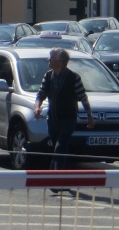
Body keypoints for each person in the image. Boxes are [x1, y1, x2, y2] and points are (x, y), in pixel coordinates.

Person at [33, 48, 94, 190]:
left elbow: (83, 98)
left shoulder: (74, 78)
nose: (48, 60)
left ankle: (54, 180)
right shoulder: (48, 76)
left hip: (68, 119)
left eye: (51, 57)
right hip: (53, 119)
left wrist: (89, 116)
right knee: (61, 149)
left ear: (59, 61)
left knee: (59, 148)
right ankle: (67, 179)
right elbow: (40, 94)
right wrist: (37, 107)